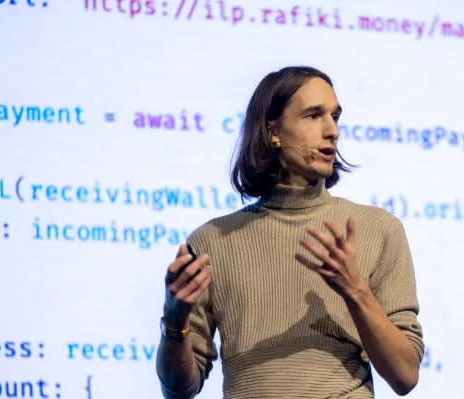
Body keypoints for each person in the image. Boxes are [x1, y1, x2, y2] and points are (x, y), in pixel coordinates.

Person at [156, 66, 424, 398]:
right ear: (273, 132)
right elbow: (179, 390)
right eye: (313, 116)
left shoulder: (376, 229)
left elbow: (405, 375)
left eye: (335, 116)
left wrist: (356, 291)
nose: (331, 131)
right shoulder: (212, 242)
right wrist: (174, 321)